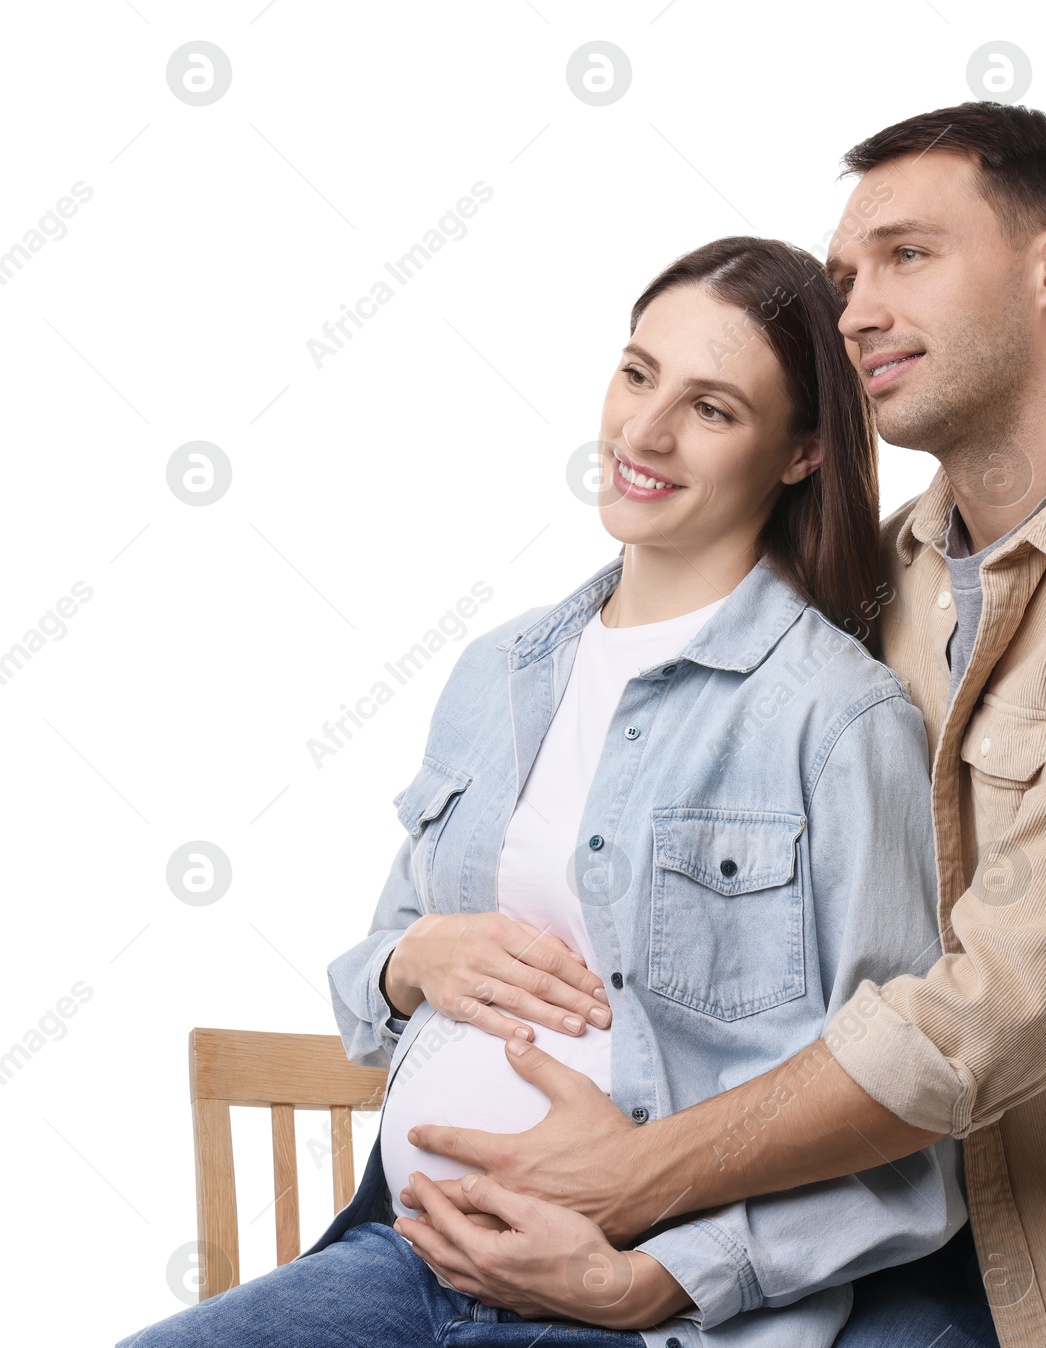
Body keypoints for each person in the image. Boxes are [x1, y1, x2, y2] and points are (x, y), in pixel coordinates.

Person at [400, 104, 1046, 1348]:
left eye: (906, 257)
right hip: (932, 1262)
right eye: (842, 277)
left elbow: (985, 1018)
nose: (852, 313)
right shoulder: (876, 592)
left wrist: (628, 1186)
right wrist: (425, 961)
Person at [115, 236, 974, 1348]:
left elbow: (895, 1117)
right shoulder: (500, 671)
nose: (645, 433)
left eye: (711, 409)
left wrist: (662, 1276)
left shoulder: (836, 720)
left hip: (647, 1309)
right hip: (408, 1252)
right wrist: (408, 959)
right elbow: (377, 980)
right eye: (636, 374)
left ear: (802, 451)